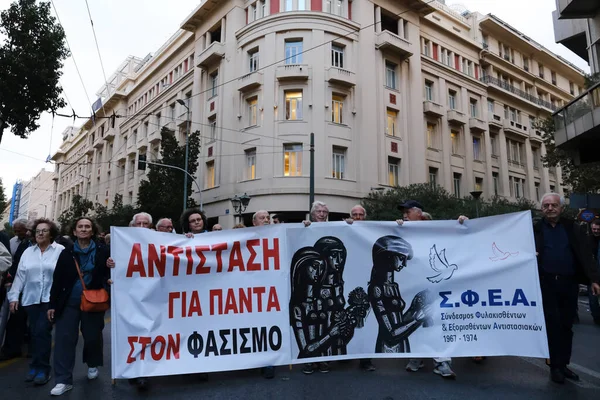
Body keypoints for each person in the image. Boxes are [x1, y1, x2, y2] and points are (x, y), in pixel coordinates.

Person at [534, 193, 600, 384]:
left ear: (561, 208)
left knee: (567, 325)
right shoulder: (535, 228)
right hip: (545, 283)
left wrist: (594, 280)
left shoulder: (573, 228)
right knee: (553, 325)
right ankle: (555, 367)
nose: (550, 208)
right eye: (546, 205)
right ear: (541, 209)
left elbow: (586, 255)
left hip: (569, 283)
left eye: (554, 205)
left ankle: (564, 364)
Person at [399, 200, 466, 379]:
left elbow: (456, 236)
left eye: (407, 211)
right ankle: (417, 357)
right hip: (413, 285)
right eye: (403, 212)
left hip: (436, 286)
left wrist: (462, 223)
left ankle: (442, 361)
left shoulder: (436, 229)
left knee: (436, 321)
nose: (404, 214)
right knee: (416, 320)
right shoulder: (402, 229)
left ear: (418, 213)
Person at [47, 217, 110, 396]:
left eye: (87, 226)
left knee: (92, 337)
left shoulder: (103, 251)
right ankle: (63, 380)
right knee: (64, 340)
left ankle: (92, 363)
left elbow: (110, 271)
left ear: (93, 231)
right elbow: (57, 280)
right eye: (80, 227)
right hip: (68, 303)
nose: (83, 229)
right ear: (74, 231)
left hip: (93, 302)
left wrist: (108, 276)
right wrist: (52, 304)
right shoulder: (66, 253)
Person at [8, 218, 64, 386]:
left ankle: (43, 369)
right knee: (34, 333)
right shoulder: (28, 252)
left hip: (50, 299)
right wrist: (14, 297)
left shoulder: (60, 250)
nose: (40, 233)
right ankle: (34, 366)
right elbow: (20, 276)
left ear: (51, 234)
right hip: (30, 299)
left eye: (44, 230)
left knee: (42, 332)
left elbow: (64, 275)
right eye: (37, 231)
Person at [344, 205, 376, 372]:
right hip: (348, 279)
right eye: (354, 214)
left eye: (360, 214)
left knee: (367, 323)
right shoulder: (345, 228)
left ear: (365, 216)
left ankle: (366, 359)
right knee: (348, 320)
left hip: (366, 280)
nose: (357, 217)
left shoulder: (372, 230)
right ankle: (344, 355)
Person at [588, 219, 600, 325]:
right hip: (593, 273)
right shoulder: (588, 240)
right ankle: (597, 318)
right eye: (594, 229)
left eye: (597, 229)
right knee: (593, 298)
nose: (595, 231)